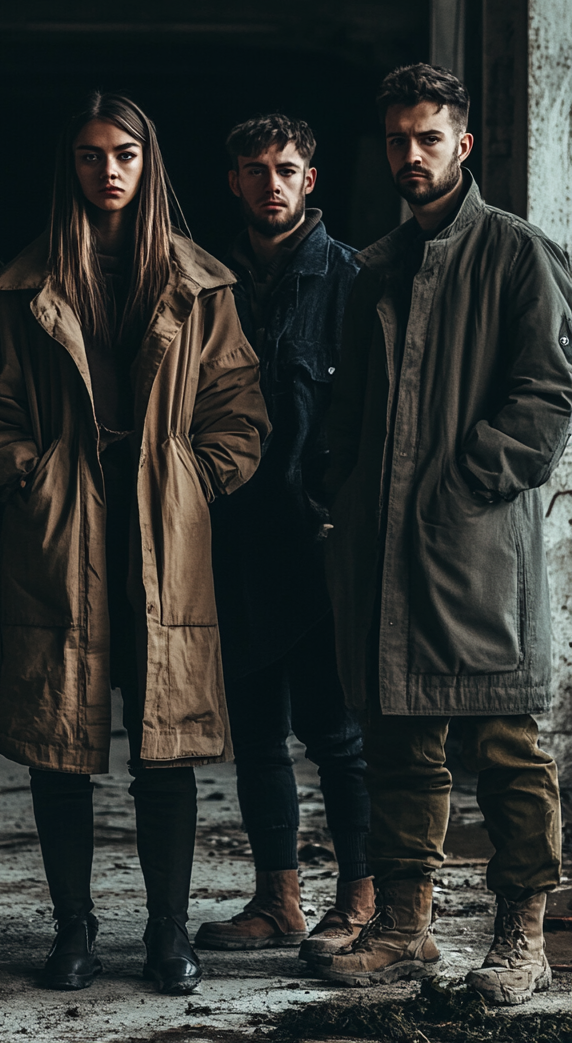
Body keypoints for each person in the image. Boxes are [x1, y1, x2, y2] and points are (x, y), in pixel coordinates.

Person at [0, 92, 268, 995]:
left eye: (123, 153)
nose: (108, 170)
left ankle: (167, 937)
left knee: (163, 747)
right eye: (91, 156)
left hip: (161, 532)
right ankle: (75, 933)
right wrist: (28, 473)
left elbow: (239, 410)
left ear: (148, 161)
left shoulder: (201, 285)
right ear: (72, 168)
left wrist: (198, 478)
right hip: (63, 531)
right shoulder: (26, 285)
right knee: (62, 744)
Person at [320, 63, 572, 1005]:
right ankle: (405, 925)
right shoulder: (376, 265)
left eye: (429, 138)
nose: (411, 155)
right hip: (379, 545)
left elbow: (549, 393)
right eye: (397, 139)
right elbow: (350, 408)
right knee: (398, 739)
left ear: (463, 144)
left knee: (505, 743)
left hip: (470, 546)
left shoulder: (516, 253)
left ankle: (521, 936)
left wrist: (465, 484)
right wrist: (338, 493)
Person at [194, 114, 372, 963]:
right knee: (257, 732)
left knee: (335, 731)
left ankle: (361, 898)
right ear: (234, 180)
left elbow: (370, 413)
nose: (271, 182)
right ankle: (278, 900)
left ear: (312, 181)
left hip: (319, 541)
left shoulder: (352, 279)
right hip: (233, 539)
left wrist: (343, 509)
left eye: (288, 168)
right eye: (256, 168)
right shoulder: (206, 280)